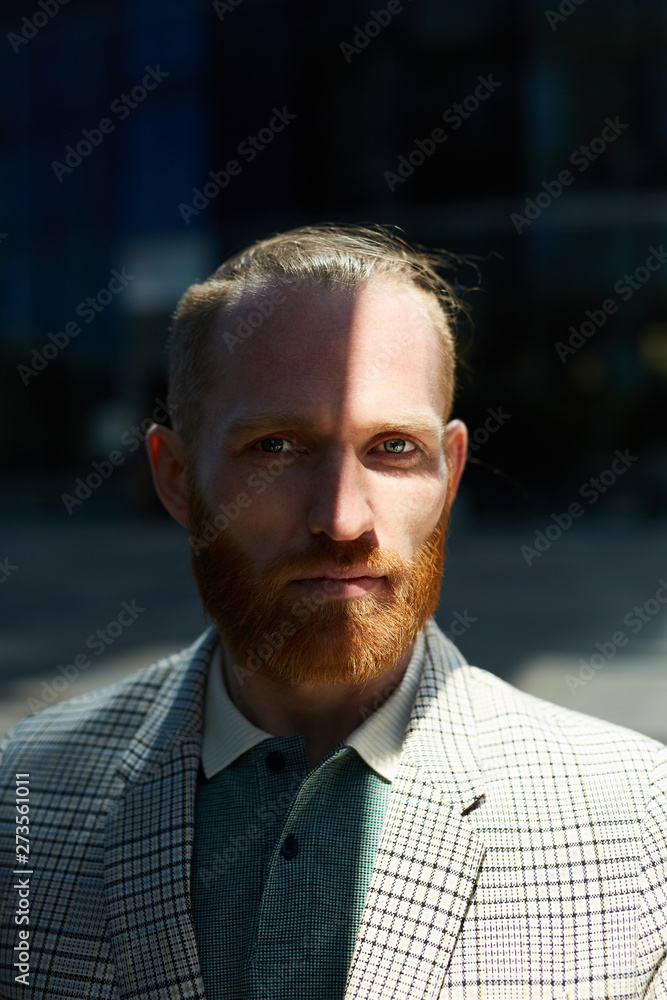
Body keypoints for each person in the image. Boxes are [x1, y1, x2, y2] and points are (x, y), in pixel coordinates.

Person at [1, 224, 666, 999]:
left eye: (391, 449)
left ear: (449, 474)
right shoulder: (25, 791)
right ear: (177, 477)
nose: (343, 519)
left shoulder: (640, 826)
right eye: (277, 447)